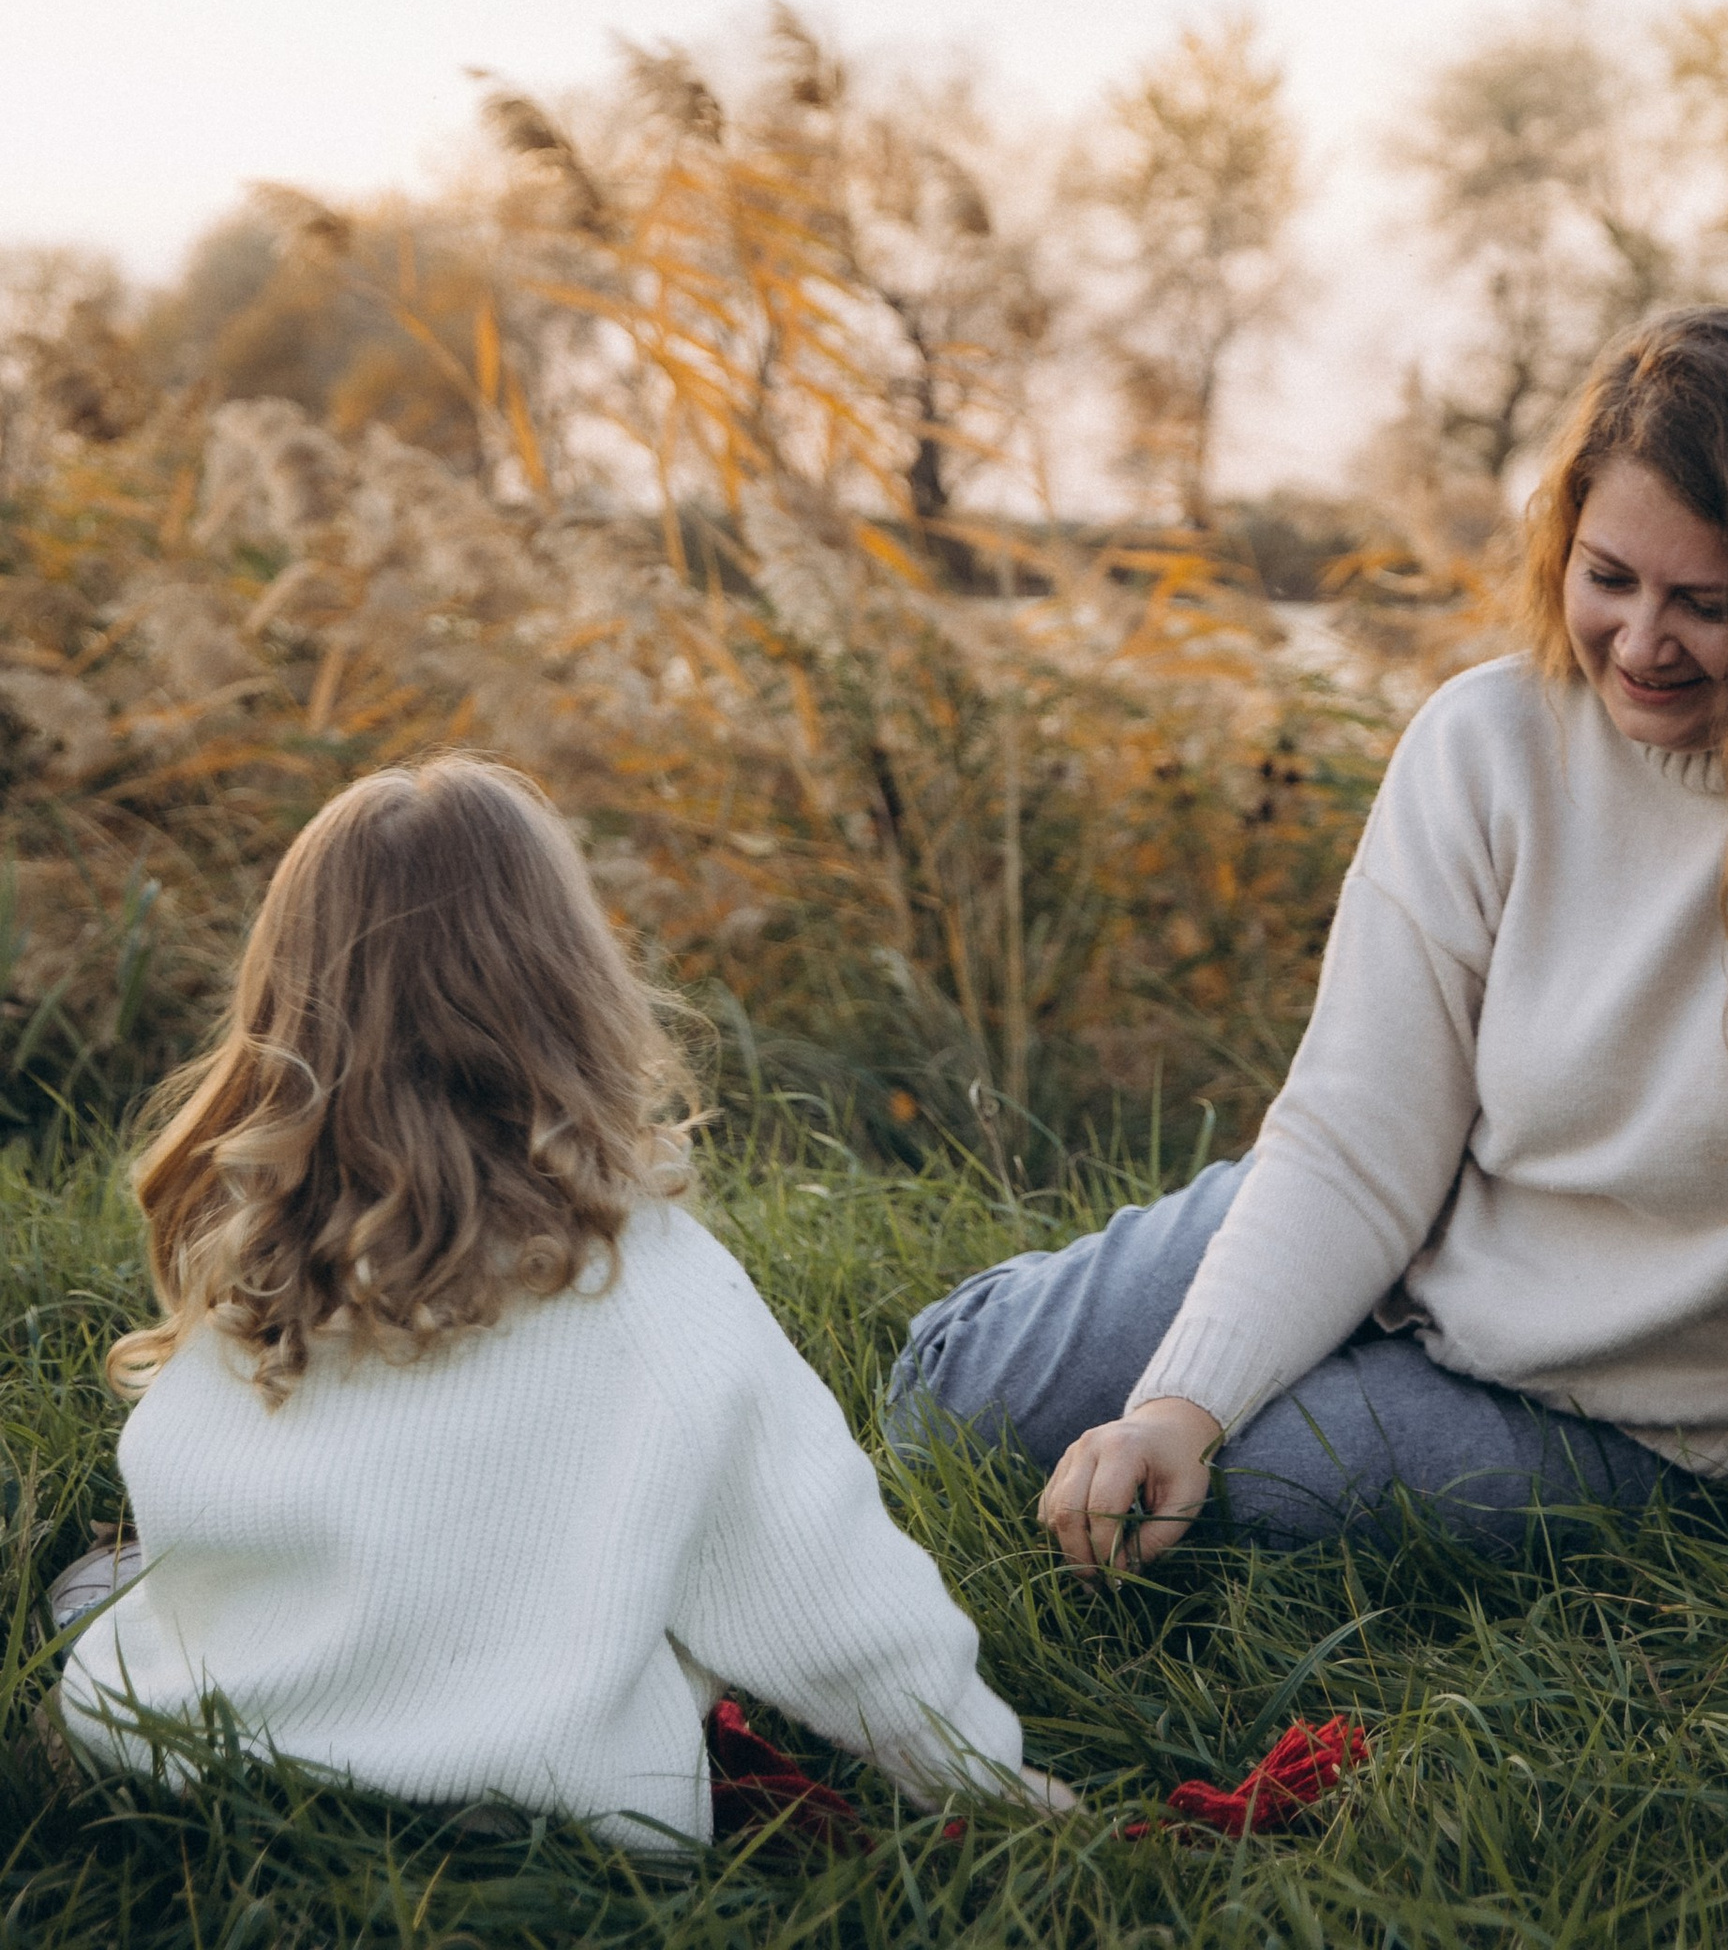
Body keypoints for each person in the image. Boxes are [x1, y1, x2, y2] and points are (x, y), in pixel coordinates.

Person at [889, 307, 1728, 1593]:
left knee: (1246, 1508)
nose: (1642, 644)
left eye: (1707, 605)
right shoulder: (1486, 742)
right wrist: (1179, 1404)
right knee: (957, 1401)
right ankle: (1297, 1339)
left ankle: (1337, 1382)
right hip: (1423, 1228)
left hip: (1653, 1418)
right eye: (1608, 577)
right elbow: (1357, 1133)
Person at [58, 755, 1072, 1847]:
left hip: (186, 1759)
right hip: (529, 1813)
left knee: (107, 1591)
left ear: (287, 1000)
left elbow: (192, 1492)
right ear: (573, 987)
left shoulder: (255, 1246)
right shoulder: (650, 1292)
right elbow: (830, 1599)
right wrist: (985, 1782)